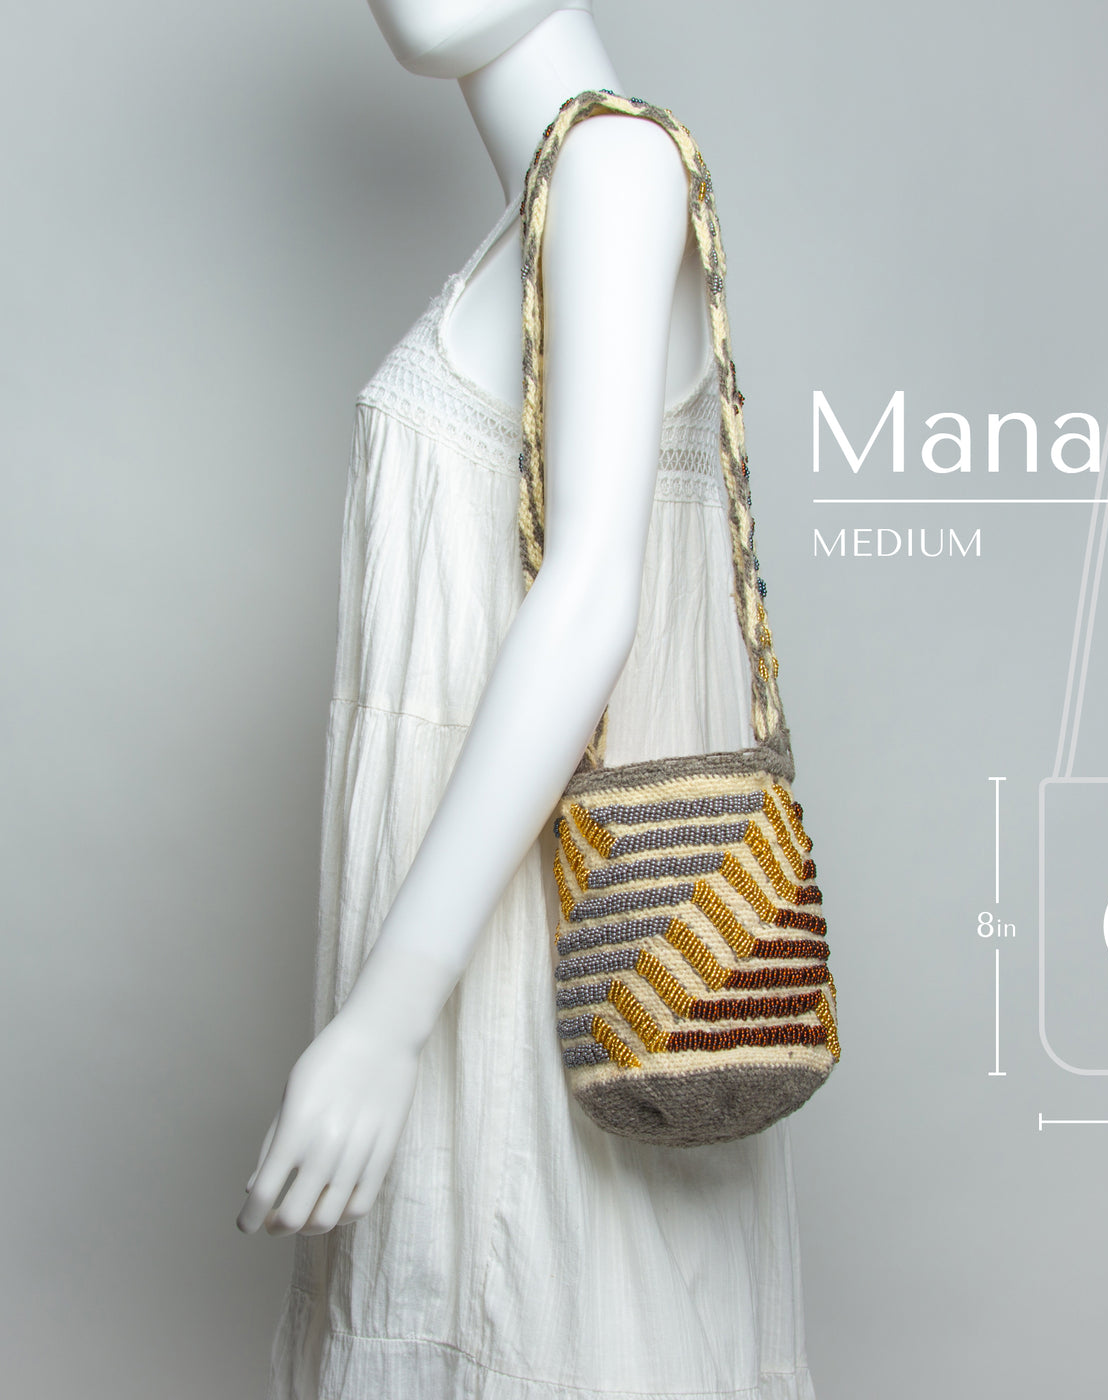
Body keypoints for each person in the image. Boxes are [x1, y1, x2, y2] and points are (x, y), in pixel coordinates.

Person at [240, 4, 818, 1396]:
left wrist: (386, 1017)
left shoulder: (615, 171)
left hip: (522, 938)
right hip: (469, 894)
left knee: (537, 1306)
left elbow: (591, 595)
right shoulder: (557, 192)